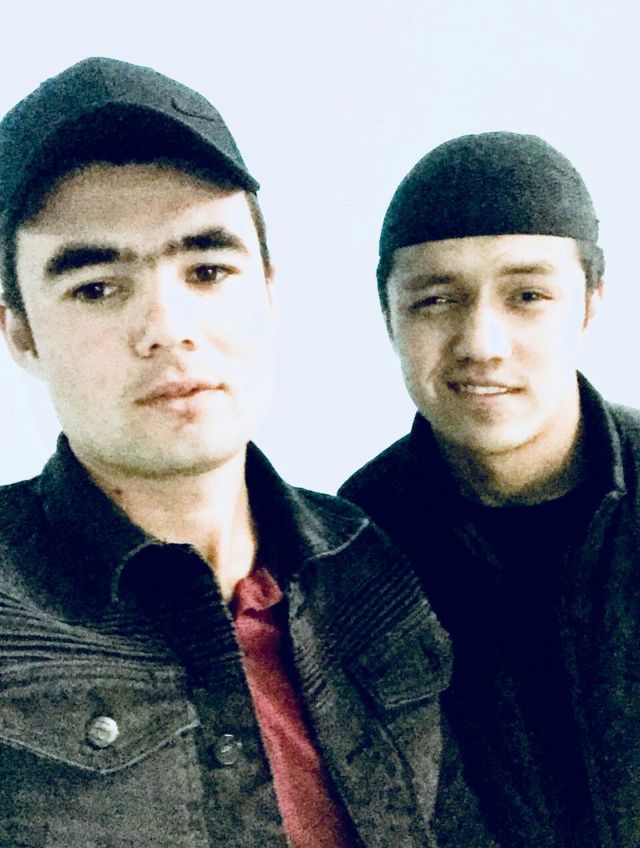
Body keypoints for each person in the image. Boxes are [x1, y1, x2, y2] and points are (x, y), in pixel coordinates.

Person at [0, 59, 492, 847]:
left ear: (267, 291)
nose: (168, 328)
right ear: (20, 332)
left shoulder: (369, 571)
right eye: (96, 287)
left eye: (207, 270)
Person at [340, 132, 638, 848]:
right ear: (388, 316)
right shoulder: (348, 553)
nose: (481, 342)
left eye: (527, 296)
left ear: (590, 303)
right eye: (435, 300)